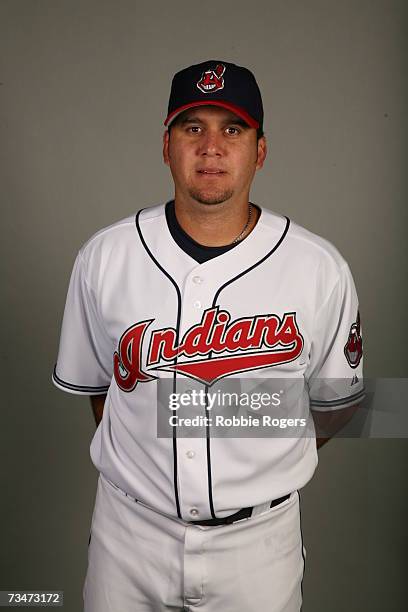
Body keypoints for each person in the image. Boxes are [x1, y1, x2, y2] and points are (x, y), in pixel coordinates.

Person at [52, 60, 364, 612]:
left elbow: (335, 405)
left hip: (258, 546)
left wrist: (256, 446)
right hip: (129, 537)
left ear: (260, 151)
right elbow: (103, 392)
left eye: (233, 129)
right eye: (193, 127)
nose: (211, 146)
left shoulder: (317, 268)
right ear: (166, 145)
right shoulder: (106, 257)